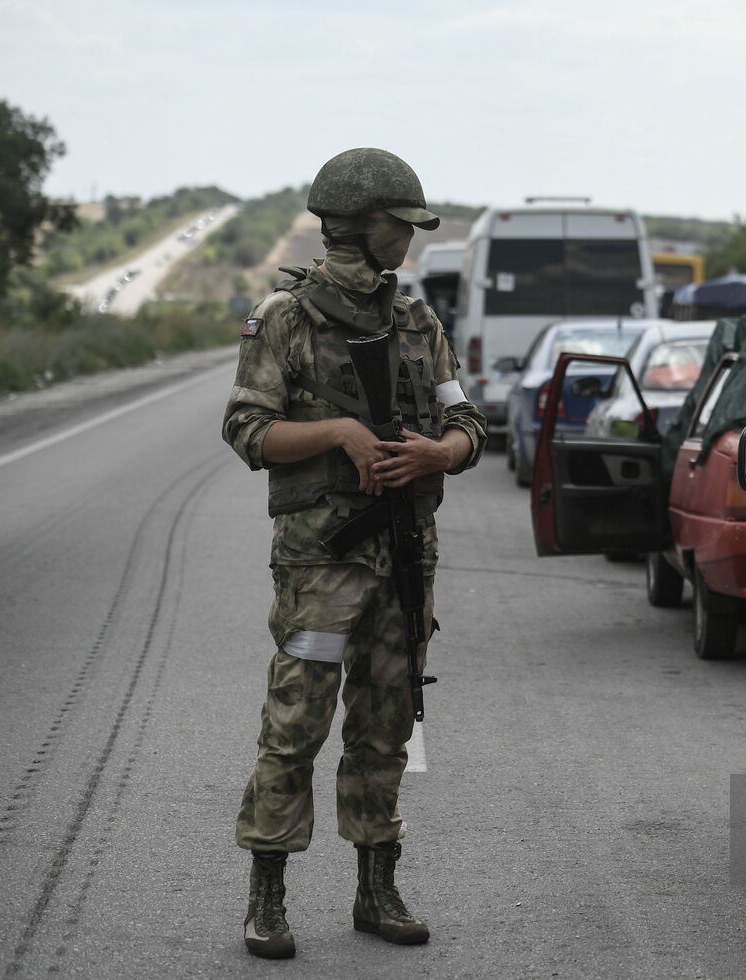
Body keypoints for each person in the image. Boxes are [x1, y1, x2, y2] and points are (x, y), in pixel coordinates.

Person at [222, 147, 486, 959]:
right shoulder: (285, 319)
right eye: (398, 225)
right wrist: (339, 432)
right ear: (359, 225)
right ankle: (268, 898)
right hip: (320, 564)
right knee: (296, 724)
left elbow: (467, 423)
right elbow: (247, 429)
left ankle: (377, 889)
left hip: (405, 556)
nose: (408, 239)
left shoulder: (417, 323)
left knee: (384, 727)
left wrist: (440, 453)